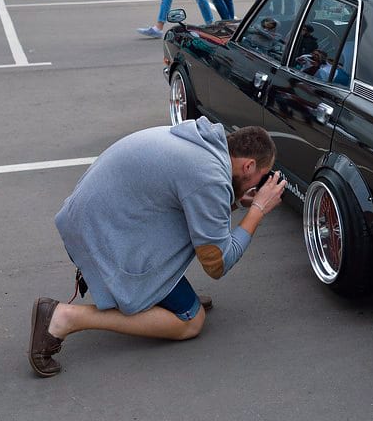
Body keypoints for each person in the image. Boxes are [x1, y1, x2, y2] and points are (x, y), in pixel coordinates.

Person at [28, 120, 286, 378]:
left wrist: (238, 201)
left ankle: (157, 296)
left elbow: (191, 203)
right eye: (262, 177)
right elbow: (217, 264)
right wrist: (258, 210)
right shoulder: (208, 177)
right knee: (190, 321)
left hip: (92, 221)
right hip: (101, 239)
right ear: (249, 165)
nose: (259, 184)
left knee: (193, 233)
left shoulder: (202, 143)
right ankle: (64, 318)